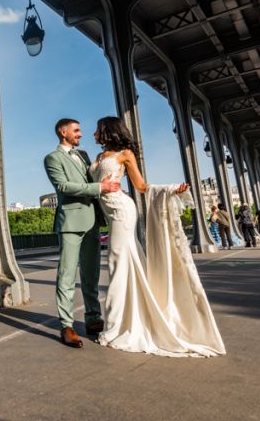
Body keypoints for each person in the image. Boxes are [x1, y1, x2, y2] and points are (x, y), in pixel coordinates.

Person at [88, 116, 225, 357]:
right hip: (110, 215)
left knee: (117, 263)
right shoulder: (98, 157)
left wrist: (172, 189)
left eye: (97, 130)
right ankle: (128, 319)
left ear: (108, 131)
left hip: (122, 211)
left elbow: (141, 186)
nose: (93, 134)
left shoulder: (125, 154)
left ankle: (116, 325)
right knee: (125, 263)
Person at [44, 118, 120, 349]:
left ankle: (93, 318)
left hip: (92, 221)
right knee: (66, 275)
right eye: (76, 130)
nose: (80, 134)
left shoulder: (85, 155)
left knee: (91, 272)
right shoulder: (52, 158)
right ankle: (66, 326)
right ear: (63, 131)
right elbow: (64, 187)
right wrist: (99, 188)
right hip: (70, 221)